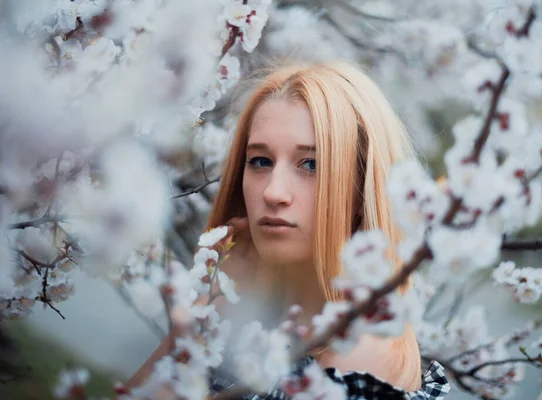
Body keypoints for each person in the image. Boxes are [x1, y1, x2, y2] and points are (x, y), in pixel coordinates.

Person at [128, 62, 450, 399]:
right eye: (261, 161)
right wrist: (205, 312)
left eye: (311, 164)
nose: (273, 192)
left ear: (362, 190)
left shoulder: (354, 363)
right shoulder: (247, 318)